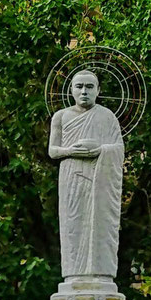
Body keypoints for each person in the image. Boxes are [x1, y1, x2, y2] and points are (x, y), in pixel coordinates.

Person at [48, 71, 124, 280]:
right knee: (73, 225)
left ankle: (101, 272)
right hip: (71, 177)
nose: (84, 91)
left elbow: (118, 149)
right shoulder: (61, 117)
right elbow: (53, 151)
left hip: (99, 178)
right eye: (79, 86)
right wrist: (72, 151)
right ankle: (73, 275)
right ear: (71, 90)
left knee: (99, 223)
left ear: (98, 91)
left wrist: (99, 150)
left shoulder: (107, 116)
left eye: (90, 87)